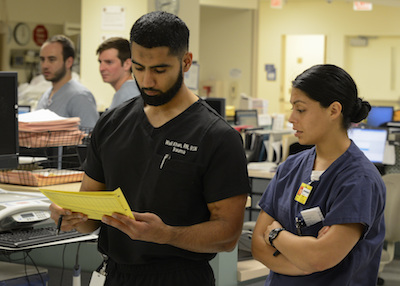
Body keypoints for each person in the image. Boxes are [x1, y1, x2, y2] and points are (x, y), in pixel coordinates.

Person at [49, 11, 250, 286]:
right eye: (139, 68)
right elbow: (90, 220)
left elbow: (228, 235)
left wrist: (167, 234)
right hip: (116, 275)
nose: (146, 81)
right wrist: (70, 216)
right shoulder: (111, 124)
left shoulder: (216, 136)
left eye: (159, 70)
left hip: (180, 277)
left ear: (186, 62)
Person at [251, 64, 386, 285]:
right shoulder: (290, 167)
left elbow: (319, 258)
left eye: (301, 109)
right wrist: (304, 263)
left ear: (334, 110)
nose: (291, 118)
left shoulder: (359, 180)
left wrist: (276, 235)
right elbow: (258, 245)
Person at [37, 35, 99, 129]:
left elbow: (90, 137)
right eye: (42, 59)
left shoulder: (80, 97)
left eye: (52, 59)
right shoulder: (46, 96)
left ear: (69, 62)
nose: (45, 65)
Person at [96, 37, 140, 110]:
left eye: (109, 62)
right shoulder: (123, 95)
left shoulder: (130, 96)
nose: (101, 68)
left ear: (127, 64)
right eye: (100, 62)